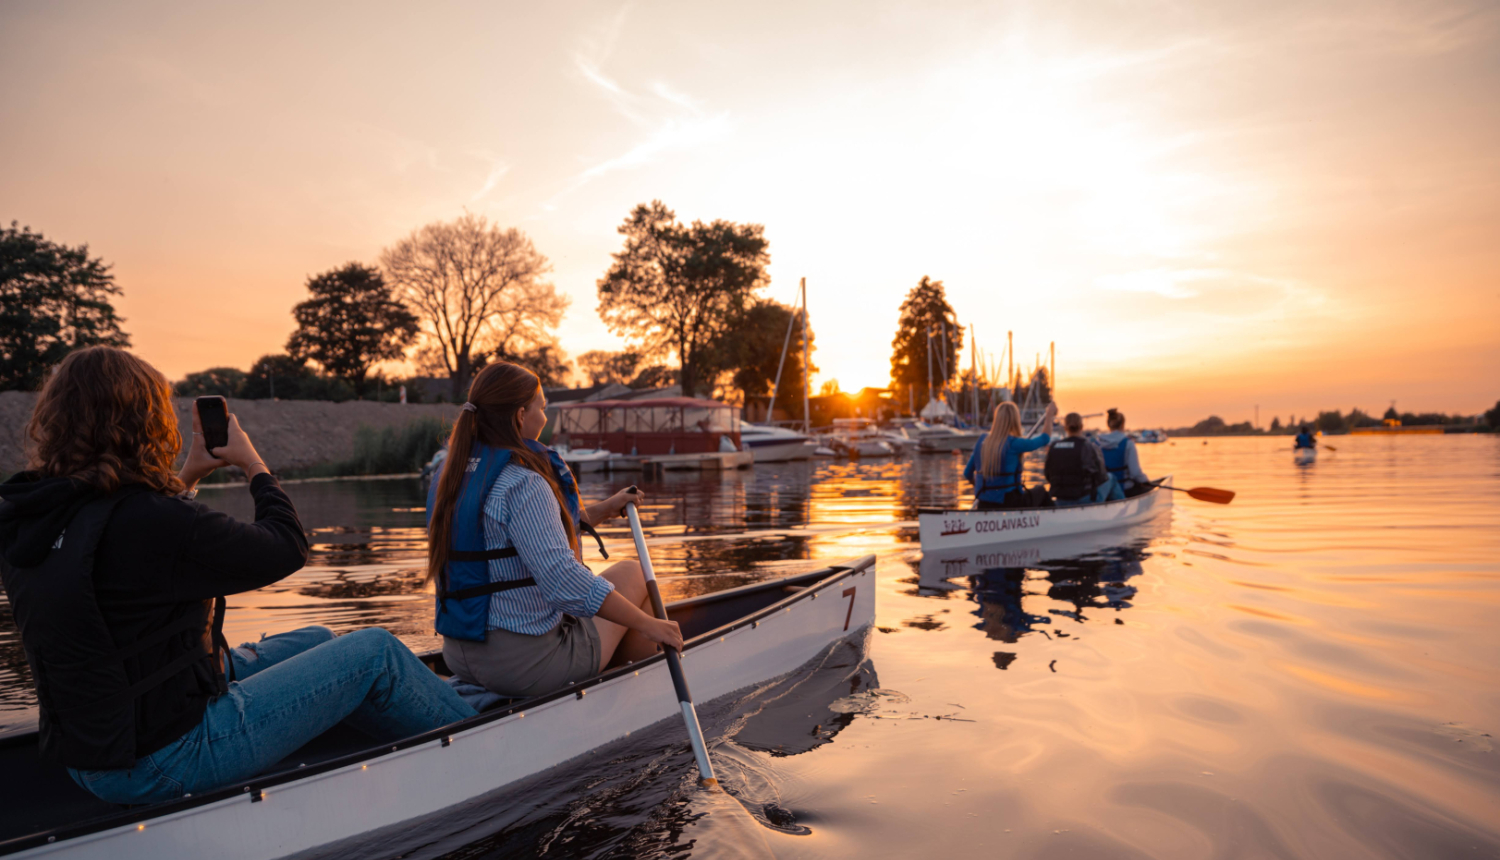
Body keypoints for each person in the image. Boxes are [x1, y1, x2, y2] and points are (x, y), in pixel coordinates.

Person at [0, 347, 476, 806]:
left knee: (318, 638)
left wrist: (188, 474)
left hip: (92, 753)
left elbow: (120, 551)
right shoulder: (150, 520)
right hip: (164, 761)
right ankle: (482, 737)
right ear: (143, 422)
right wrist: (254, 465)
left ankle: (400, 733)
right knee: (374, 652)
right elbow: (286, 547)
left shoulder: (36, 516)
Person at [427, 362, 684, 700]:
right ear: (521, 415)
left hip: (461, 656)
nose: (545, 418)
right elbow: (563, 581)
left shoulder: (451, 476)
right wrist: (647, 625)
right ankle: (629, 695)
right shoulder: (523, 483)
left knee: (618, 590)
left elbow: (522, 536)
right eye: (542, 408)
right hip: (524, 666)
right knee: (635, 574)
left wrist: (607, 509)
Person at [963, 401, 1058, 509]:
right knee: (1041, 492)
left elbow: (967, 473)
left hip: (984, 503)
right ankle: (1057, 517)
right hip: (1009, 503)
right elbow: (1045, 438)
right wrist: (1049, 414)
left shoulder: (982, 442)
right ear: (1015, 420)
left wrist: (985, 489)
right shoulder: (1013, 443)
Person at [1044, 412, 1115, 506]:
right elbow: (1101, 476)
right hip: (1084, 499)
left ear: (1065, 428)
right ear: (1081, 427)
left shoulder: (1054, 447)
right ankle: (1123, 508)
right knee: (1111, 477)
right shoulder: (1088, 446)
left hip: (1060, 499)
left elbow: (1047, 474)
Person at [1097, 408, 1151, 498]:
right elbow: (1135, 473)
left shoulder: (1098, 444)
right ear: (1123, 424)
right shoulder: (1128, 443)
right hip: (1125, 490)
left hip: (1105, 492)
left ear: (1108, 424)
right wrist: (1146, 481)